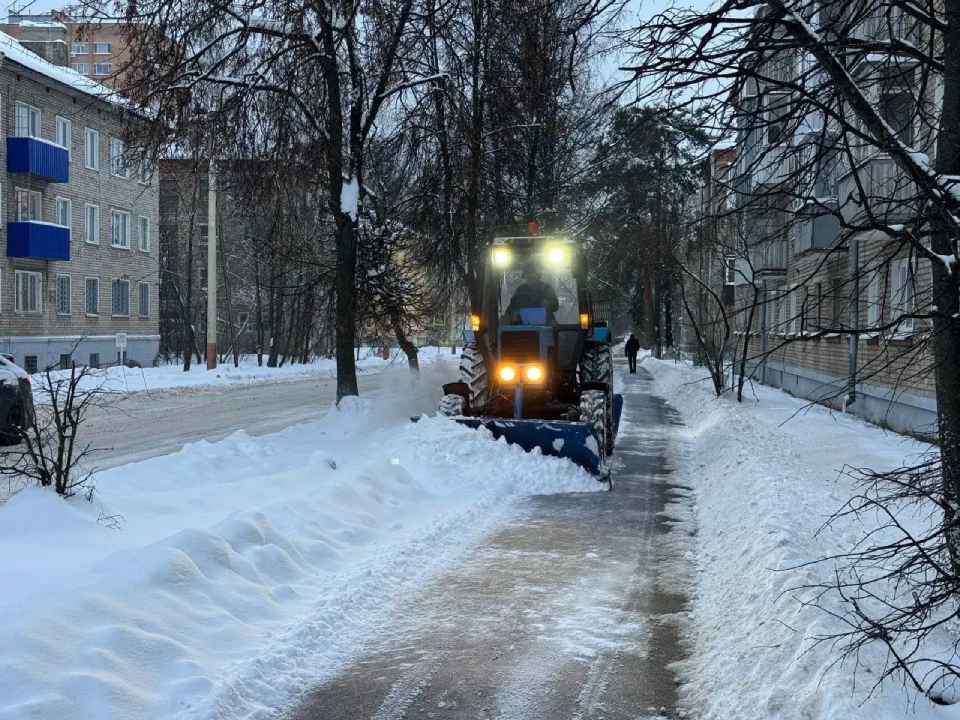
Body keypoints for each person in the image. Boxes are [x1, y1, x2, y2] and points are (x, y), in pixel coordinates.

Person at [504, 260, 560, 325]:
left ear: (538, 273)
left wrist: (548, 305)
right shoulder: (520, 290)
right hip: (523, 326)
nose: (530, 274)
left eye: (533, 271)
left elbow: (555, 306)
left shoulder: (546, 288)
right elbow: (511, 308)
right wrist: (505, 318)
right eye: (528, 272)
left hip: (546, 324)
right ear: (524, 274)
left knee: (557, 330)